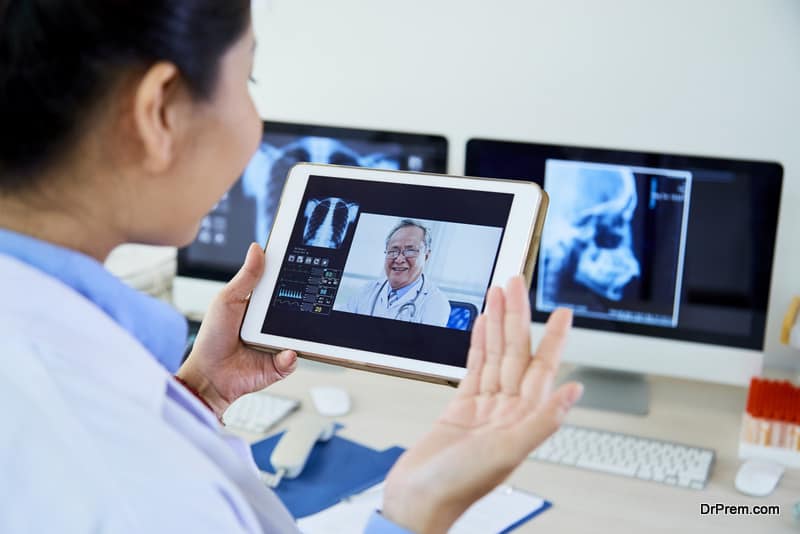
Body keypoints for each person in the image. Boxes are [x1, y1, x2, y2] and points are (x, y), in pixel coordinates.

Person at [0, 2, 583, 533]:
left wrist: (195, 398)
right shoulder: (116, 464)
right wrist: (415, 511)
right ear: (162, 111)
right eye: (248, 79)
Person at [343, 219, 451, 327]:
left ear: (426, 256)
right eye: (393, 251)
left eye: (410, 251)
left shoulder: (436, 303)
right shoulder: (366, 290)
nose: (399, 259)